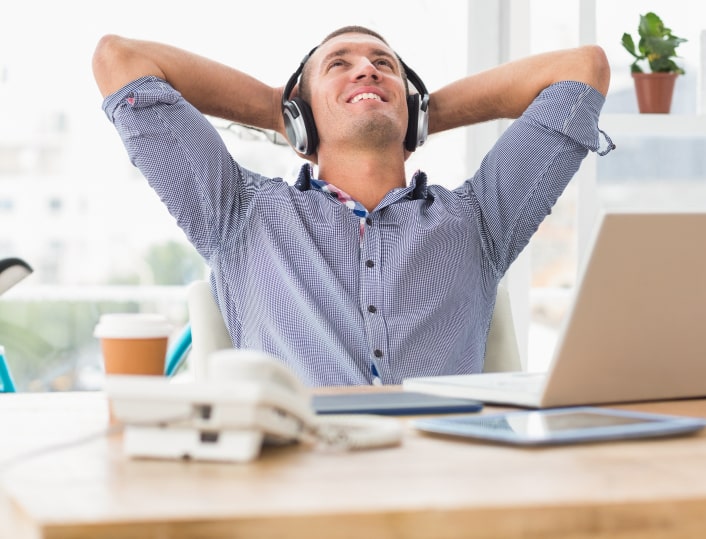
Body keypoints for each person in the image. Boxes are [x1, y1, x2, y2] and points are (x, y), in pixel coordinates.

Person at [91, 27, 611, 386]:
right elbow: (120, 59)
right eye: (339, 65)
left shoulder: (480, 220)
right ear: (301, 114)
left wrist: (417, 113)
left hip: (445, 492)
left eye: (383, 66)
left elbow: (581, 69)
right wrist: (282, 110)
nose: (367, 69)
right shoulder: (237, 213)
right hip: (301, 495)